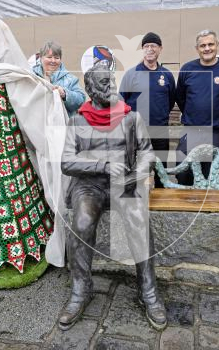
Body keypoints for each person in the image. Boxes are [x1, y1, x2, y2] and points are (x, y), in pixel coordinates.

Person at [60, 63, 167, 331]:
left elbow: (147, 153)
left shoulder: (131, 118)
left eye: (111, 81)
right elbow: (66, 162)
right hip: (89, 186)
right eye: (104, 83)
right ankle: (81, 288)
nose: (111, 87)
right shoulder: (77, 120)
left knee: (138, 219)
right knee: (82, 224)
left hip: (124, 184)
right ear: (90, 88)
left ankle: (148, 289)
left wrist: (136, 175)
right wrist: (103, 166)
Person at [176, 30, 219, 185]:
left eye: (210, 44)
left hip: (215, 130)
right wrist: (192, 113)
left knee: (210, 172)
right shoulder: (187, 69)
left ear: (217, 45)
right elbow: (180, 97)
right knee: (182, 170)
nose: (207, 48)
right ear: (197, 48)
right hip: (191, 129)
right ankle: (185, 204)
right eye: (202, 45)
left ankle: (207, 205)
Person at [120, 32, 176, 187]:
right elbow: (121, 102)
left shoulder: (167, 75)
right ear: (142, 49)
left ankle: (161, 200)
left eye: (153, 46)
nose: (150, 49)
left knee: (160, 170)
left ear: (160, 49)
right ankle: (134, 201)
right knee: (134, 169)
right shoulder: (131, 75)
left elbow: (170, 101)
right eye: (146, 46)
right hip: (136, 131)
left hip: (160, 130)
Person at [32, 41, 86, 116]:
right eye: (49, 57)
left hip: (62, 126)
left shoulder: (71, 79)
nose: (53, 61)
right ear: (41, 58)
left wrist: (65, 94)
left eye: (57, 58)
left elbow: (81, 100)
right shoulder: (31, 76)